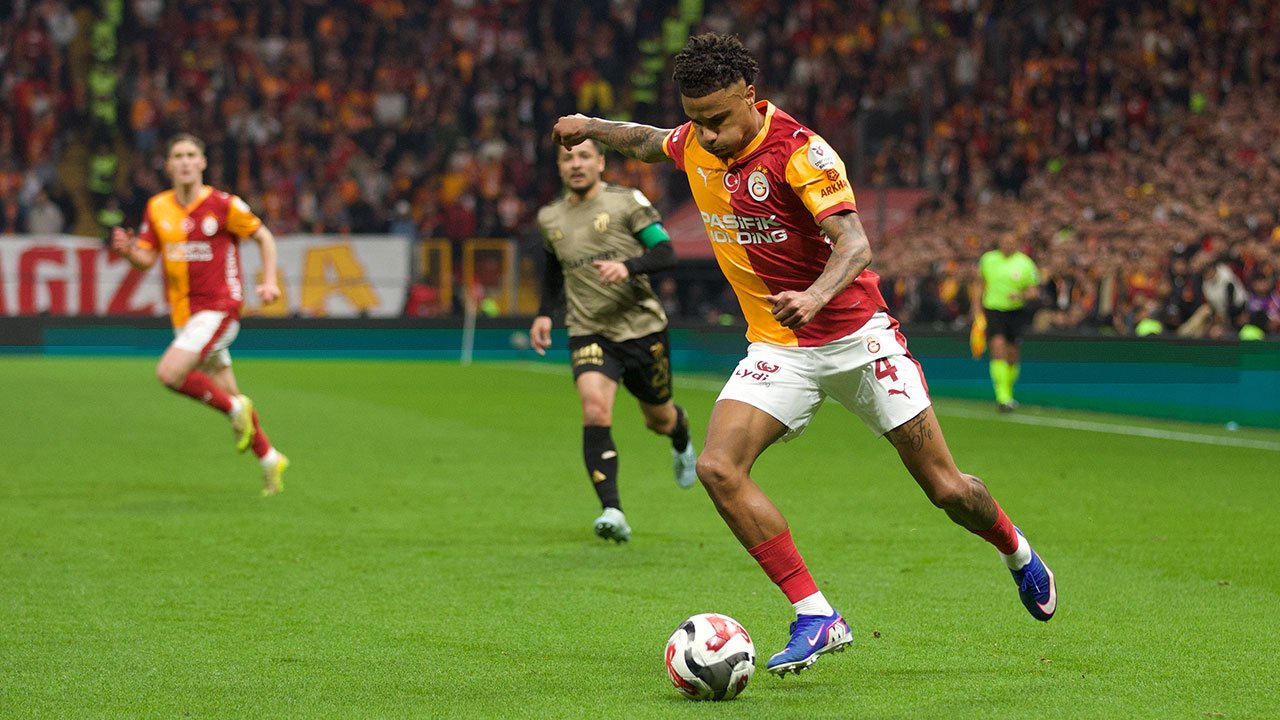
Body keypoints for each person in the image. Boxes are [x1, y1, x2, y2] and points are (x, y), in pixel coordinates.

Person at [552, 33, 1056, 676]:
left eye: (718, 119)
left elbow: (855, 244)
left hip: (858, 339)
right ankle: (816, 614)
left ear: (751, 96)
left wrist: (815, 296)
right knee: (718, 468)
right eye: (696, 120)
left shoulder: (800, 152)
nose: (707, 135)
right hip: (780, 347)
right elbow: (650, 140)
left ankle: (1016, 550)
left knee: (947, 488)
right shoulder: (696, 141)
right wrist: (589, 125)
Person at [529, 139, 697, 543]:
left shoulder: (626, 203)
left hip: (641, 328)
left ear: (601, 162)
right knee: (594, 409)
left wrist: (628, 266)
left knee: (658, 419)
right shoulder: (550, 216)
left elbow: (666, 253)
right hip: (588, 328)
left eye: (584, 156)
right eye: (568, 158)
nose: (576, 164)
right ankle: (613, 510)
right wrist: (544, 313)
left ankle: (680, 435)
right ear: (559, 166)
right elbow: (554, 268)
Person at [110, 133, 289, 496]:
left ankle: (235, 408)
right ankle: (270, 458)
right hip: (186, 316)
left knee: (170, 373)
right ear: (168, 165)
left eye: (192, 154)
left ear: (203, 162)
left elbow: (264, 237)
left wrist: (269, 282)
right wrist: (128, 251)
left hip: (220, 308)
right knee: (225, 390)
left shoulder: (224, 205)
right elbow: (146, 259)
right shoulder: (157, 207)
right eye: (178, 155)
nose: (186, 161)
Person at [974, 229, 1041, 411]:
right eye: (1005, 241)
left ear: (1017, 244)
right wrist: (976, 308)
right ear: (999, 242)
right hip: (993, 309)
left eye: (1011, 242)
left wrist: (1020, 295)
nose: (1008, 245)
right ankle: (1002, 397)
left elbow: (1034, 291)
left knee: (1012, 353)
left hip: (1016, 311)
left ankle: (1008, 392)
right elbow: (979, 283)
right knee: (997, 345)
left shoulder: (1025, 263)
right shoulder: (988, 259)